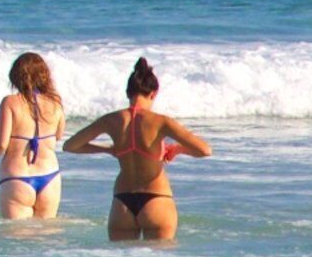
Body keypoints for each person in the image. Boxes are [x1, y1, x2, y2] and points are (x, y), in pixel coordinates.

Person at [64, 58, 206, 241]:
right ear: (154, 93)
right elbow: (204, 150)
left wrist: (108, 149)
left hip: (122, 203)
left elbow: (70, 146)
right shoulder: (161, 122)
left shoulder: (111, 120)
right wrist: (177, 150)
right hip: (157, 200)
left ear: (127, 93)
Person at [0, 51, 72, 220]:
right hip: (50, 177)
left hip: (17, 178)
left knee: (17, 241)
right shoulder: (55, 103)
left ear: (15, 76)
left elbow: (1, 144)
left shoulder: (10, 102)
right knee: (45, 238)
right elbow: (58, 135)